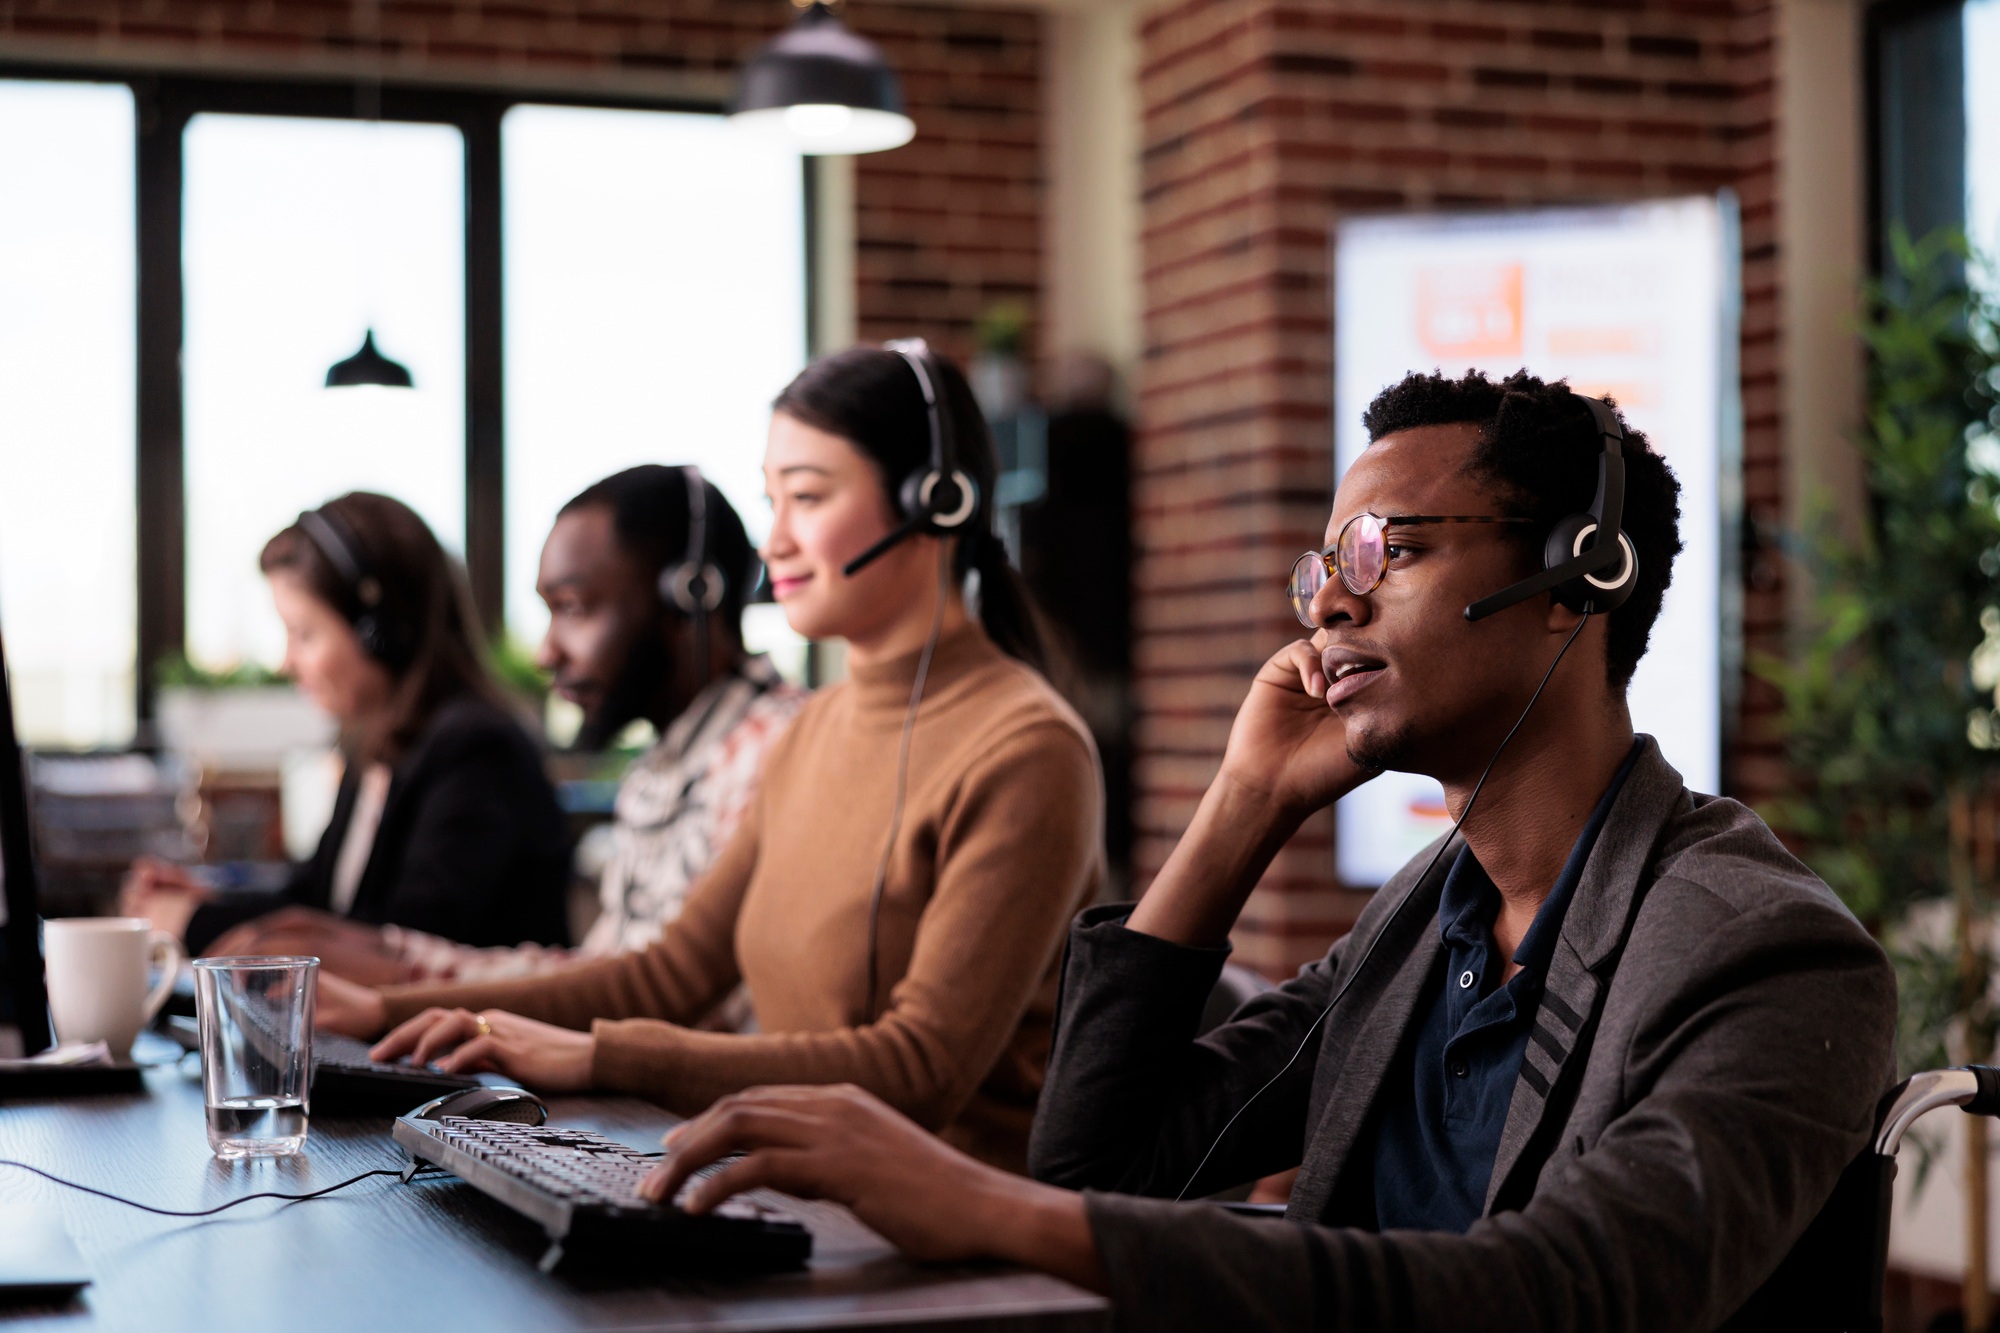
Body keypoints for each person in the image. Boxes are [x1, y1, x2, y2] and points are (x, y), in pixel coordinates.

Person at [634, 369, 1899, 1331]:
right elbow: (1104, 1164)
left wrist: (989, 1205)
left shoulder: (1760, 948)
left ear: (1578, 576)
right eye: (1323, 570)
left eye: (1389, 553)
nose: (1330, 604)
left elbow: (1566, 1289)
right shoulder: (1425, 918)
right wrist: (1242, 801)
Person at [319, 343, 1106, 1172]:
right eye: (773, 501)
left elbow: (920, 1070)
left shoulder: (1027, 748)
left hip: (946, 1235)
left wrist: (599, 1057)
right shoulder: (814, 730)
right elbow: (668, 974)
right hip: (791, 1183)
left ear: (934, 500)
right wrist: (384, 1007)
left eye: (807, 497)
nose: (775, 543)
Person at [207, 466, 807, 992]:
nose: (546, 653)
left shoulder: (776, 753)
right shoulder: (663, 768)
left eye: (573, 608)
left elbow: (649, 996)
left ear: (692, 595)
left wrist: (402, 976)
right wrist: (392, 966)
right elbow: (607, 976)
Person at [122, 492, 572, 957]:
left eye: (304, 634)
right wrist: (207, 899)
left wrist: (195, 924)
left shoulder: (477, 751)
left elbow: (404, 941)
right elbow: (318, 900)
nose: (286, 661)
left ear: (380, 631)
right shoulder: (376, 747)